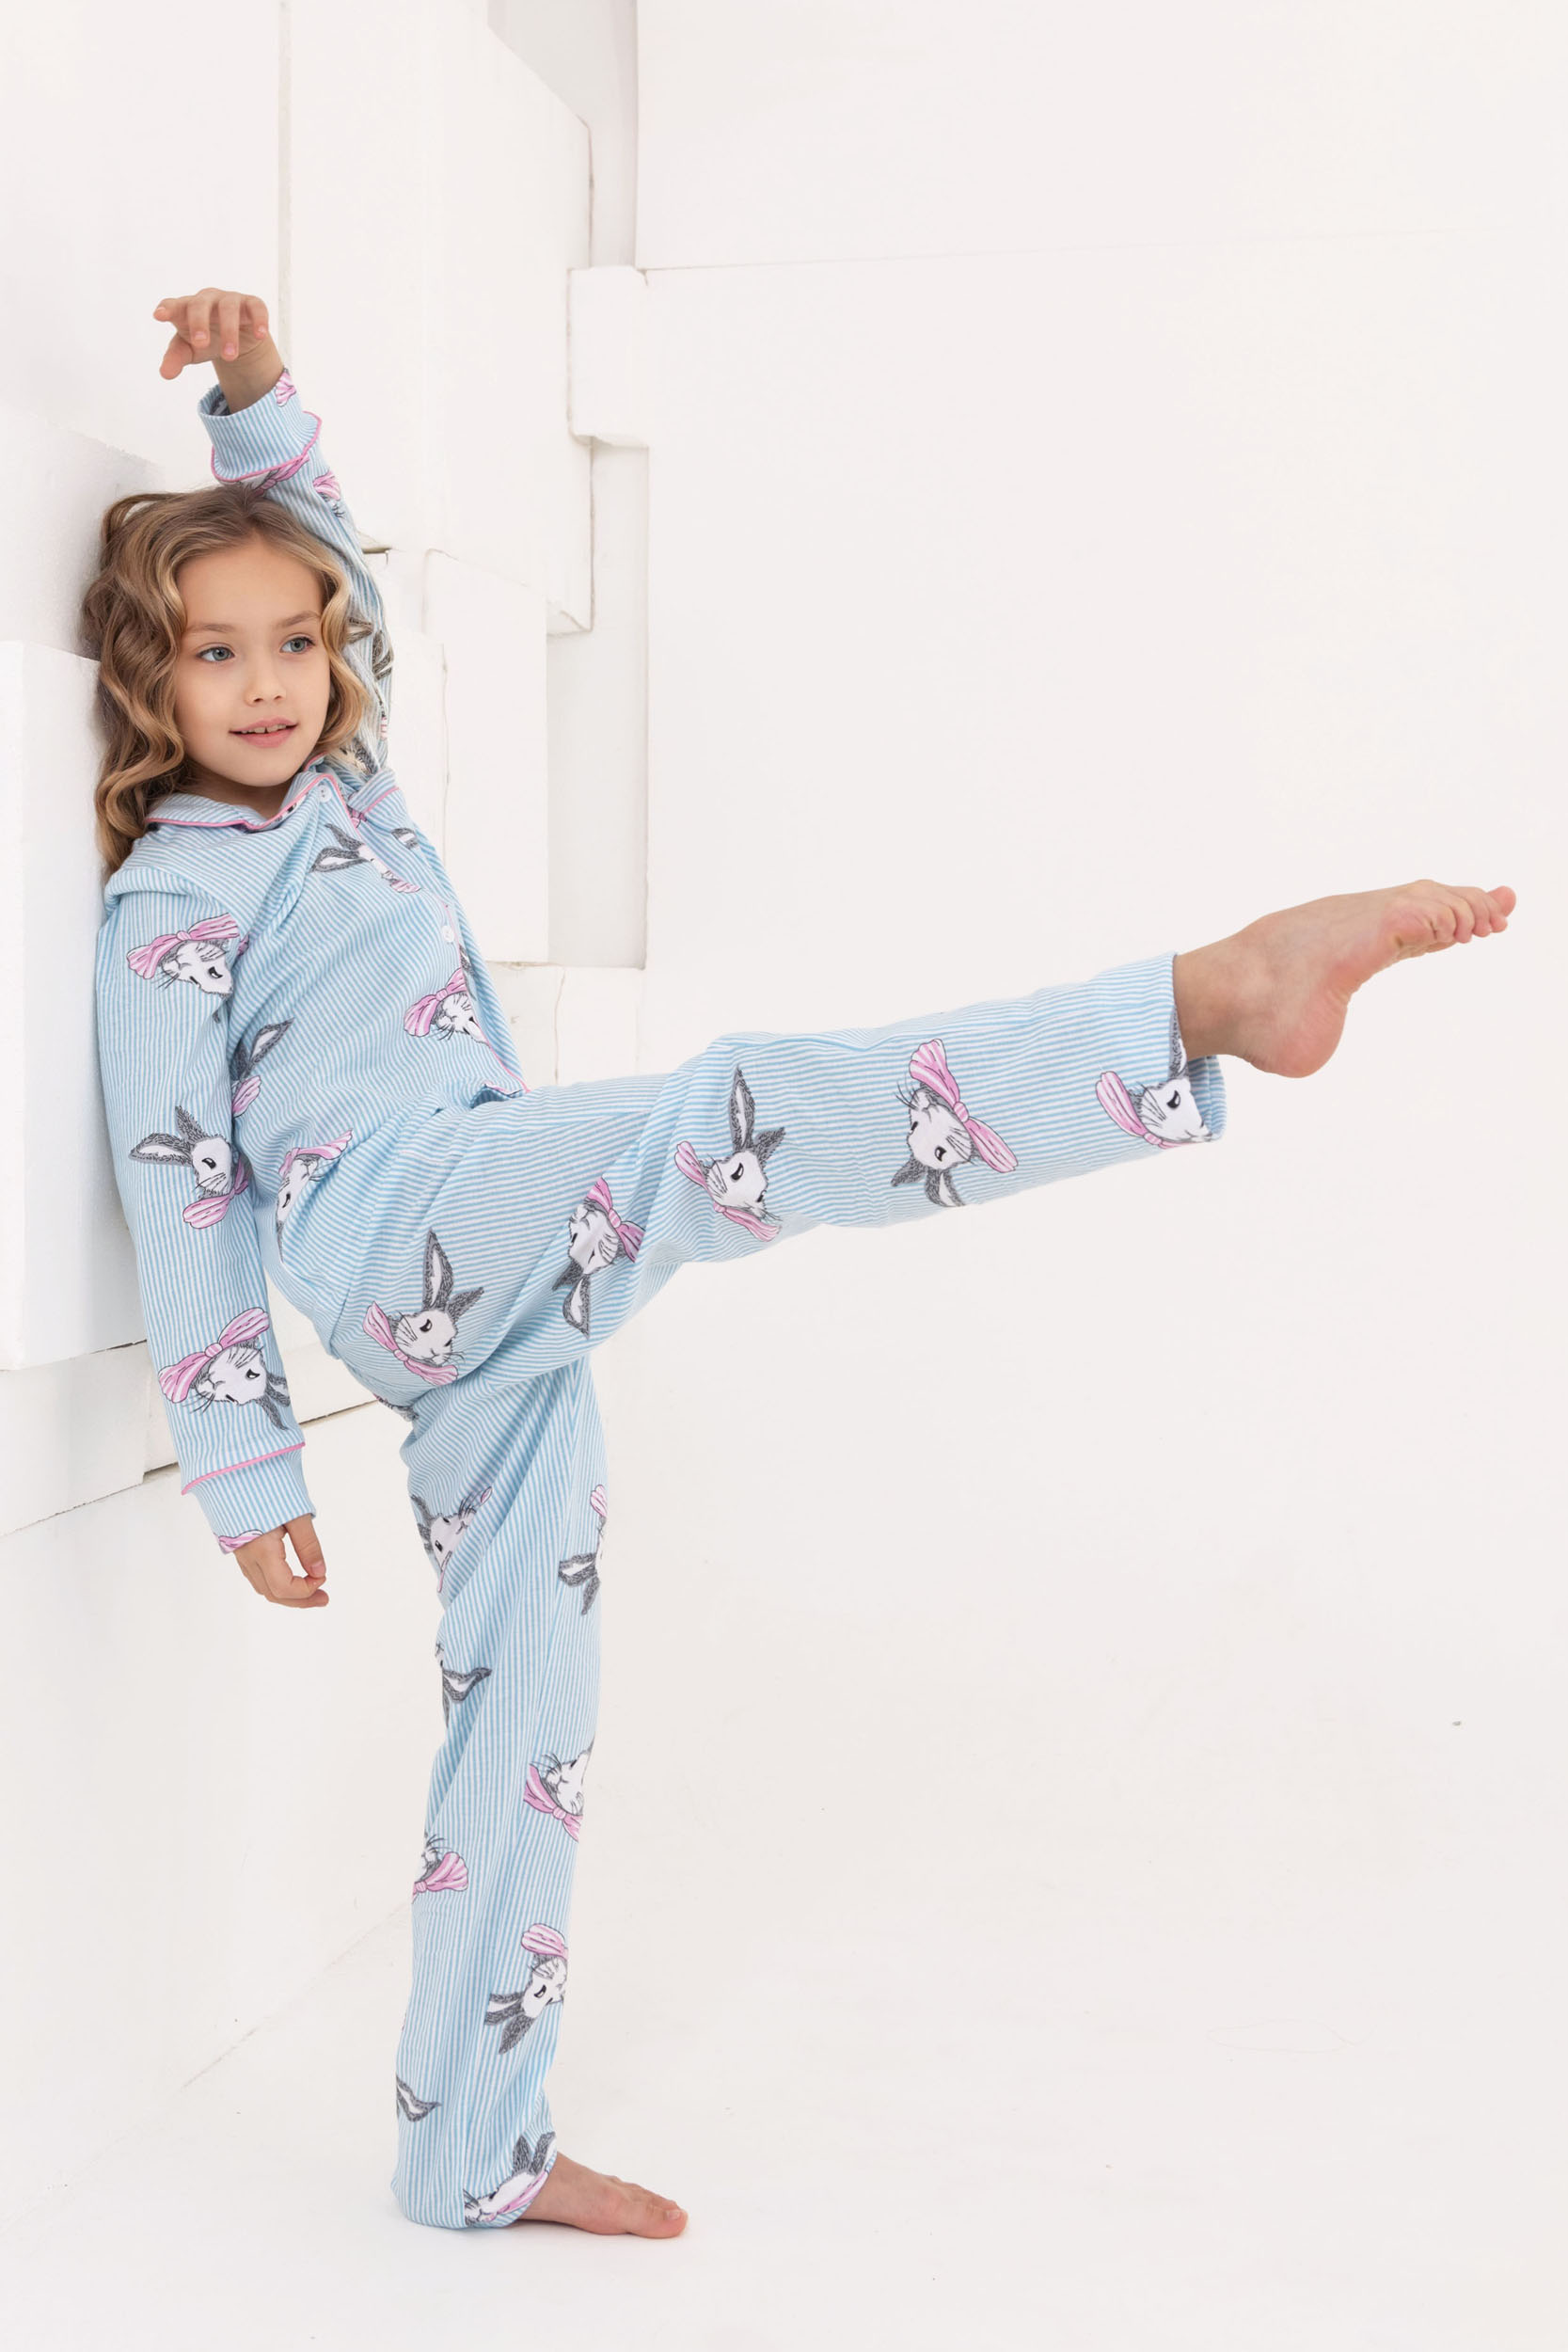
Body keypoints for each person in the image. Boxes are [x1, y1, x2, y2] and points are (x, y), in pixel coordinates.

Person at [87, 285, 1515, 2241]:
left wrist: (257, 398)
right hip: (404, 1218)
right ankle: (1197, 1002)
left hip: (483, 1254)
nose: (270, 683)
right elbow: (177, 1187)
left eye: (295, 643)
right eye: (214, 653)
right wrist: (245, 1466)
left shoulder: (353, 781)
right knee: (728, 1114)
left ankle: (469, 2149)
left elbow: (342, 575)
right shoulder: (171, 901)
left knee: (529, 1699)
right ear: (147, 681)